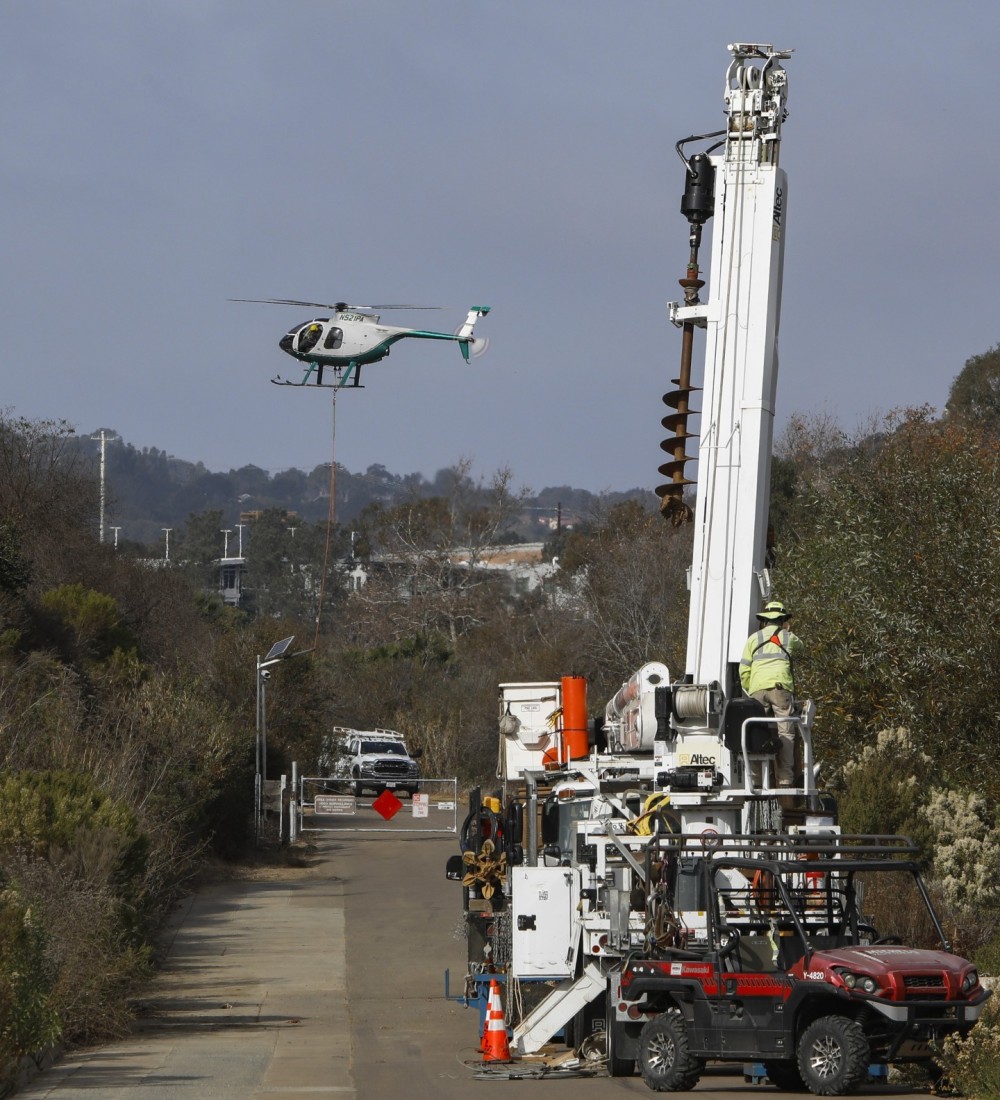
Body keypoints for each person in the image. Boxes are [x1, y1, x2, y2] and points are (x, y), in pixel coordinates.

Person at [739, 600, 804, 789]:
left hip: (757, 690)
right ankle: (785, 780)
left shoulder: (753, 639)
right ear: (782, 619)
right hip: (780, 688)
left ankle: (756, 780)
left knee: (755, 731)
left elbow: (744, 668)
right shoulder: (788, 637)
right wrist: (788, 631)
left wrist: (751, 688)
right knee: (786, 731)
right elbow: (801, 647)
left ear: (765, 620)